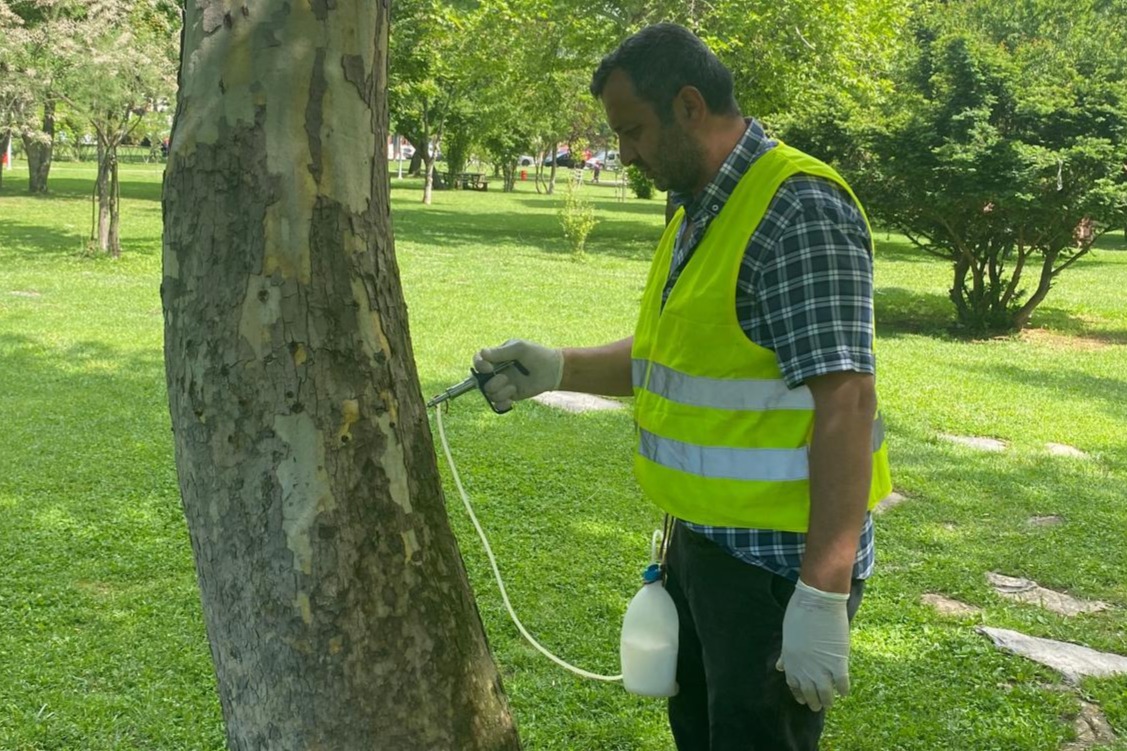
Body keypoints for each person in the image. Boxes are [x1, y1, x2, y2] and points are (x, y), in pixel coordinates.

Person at [473, 23, 891, 751]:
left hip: (775, 567)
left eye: (632, 131)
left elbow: (846, 404)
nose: (625, 152)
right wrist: (557, 367)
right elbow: (678, 356)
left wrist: (820, 593)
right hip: (701, 549)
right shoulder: (698, 205)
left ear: (689, 106)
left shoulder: (797, 210)